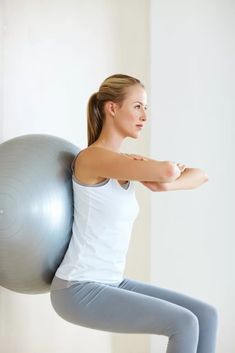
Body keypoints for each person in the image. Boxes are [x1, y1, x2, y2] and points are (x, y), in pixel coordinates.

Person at [50, 74, 218, 353]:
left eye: (146, 108)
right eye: (138, 106)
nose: (145, 116)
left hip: (112, 281)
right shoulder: (92, 158)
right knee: (184, 322)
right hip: (78, 287)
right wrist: (166, 172)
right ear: (112, 108)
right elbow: (166, 173)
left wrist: (164, 178)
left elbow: (201, 176)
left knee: (206, 316)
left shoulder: (125, 164)